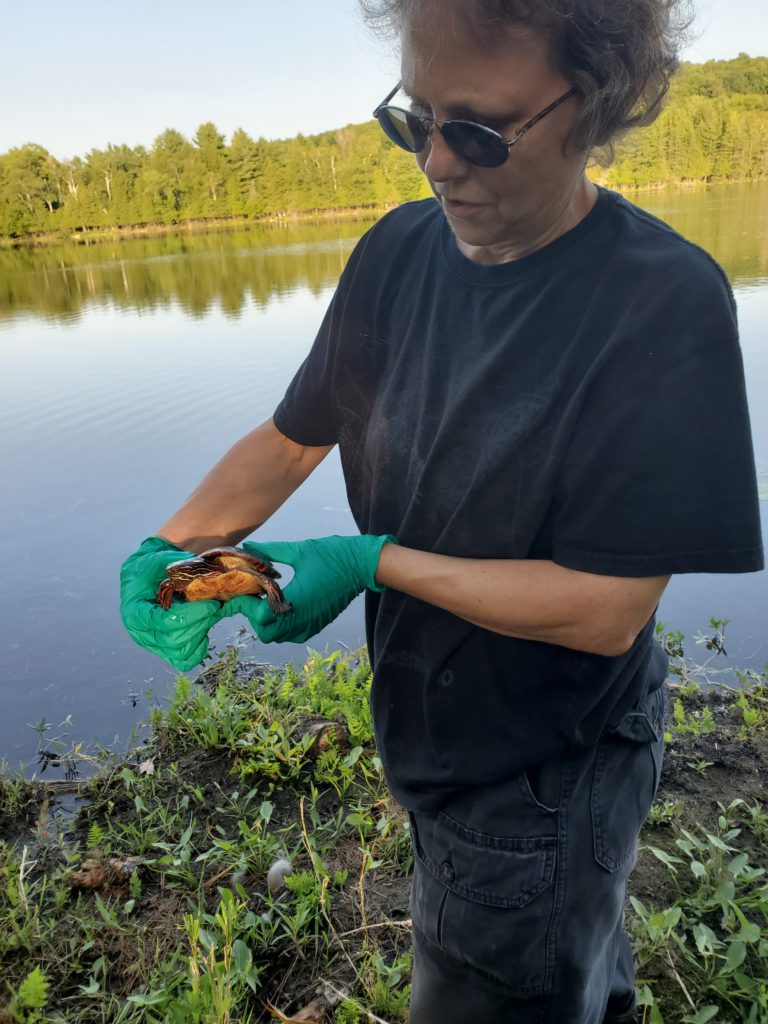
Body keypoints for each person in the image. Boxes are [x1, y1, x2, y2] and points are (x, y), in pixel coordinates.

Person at [120, 1, 764, 1020]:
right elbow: (295, 436)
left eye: (477, 130)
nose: (435, 162)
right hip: (436, 736)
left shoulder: (661, 304)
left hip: (545, 769)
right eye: (416, 118)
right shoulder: (395, 254)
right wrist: (178, 541)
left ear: (592, 108)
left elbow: (606, 609)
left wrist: (372, 561)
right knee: (579, 976)